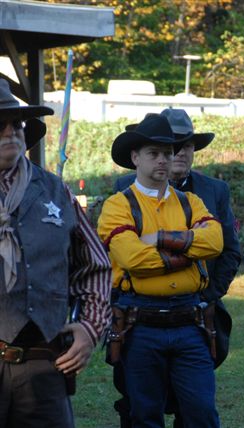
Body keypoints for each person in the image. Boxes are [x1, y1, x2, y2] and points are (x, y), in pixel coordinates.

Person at [111, 108, 240, 428]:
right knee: (141, 410)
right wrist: (188, 257)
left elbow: (222, 247)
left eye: (179, 148)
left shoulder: (207, 195)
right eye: (158, 151)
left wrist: (206, 291)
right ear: (138, 156)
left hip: (194, 315)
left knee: (199, 411)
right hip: (140, 318)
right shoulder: (121, 196)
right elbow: (132, 260)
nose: (172, 156)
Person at [0, 78, 111, 426]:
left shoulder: (53, 190)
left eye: (16, 123)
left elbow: (95, 268)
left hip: (43, 364)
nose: (10, 132)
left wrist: (90, 328)